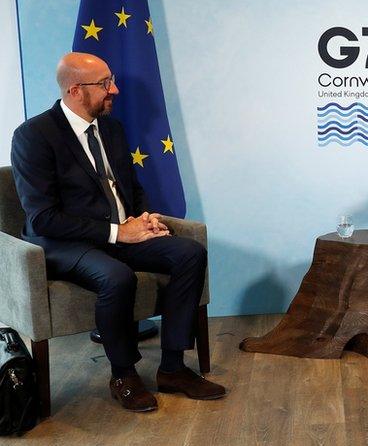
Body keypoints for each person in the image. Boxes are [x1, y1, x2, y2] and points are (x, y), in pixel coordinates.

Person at [10, 52, 226, 412]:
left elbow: (129, 186)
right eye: (106, 83)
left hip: (119, 233)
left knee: (189, 253)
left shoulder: (111, 128)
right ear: (76, 90)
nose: (116, 89)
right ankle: (124, 375)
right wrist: (118, 233)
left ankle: (173, 367)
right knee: (117, 278)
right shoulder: (34, 136)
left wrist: (144, 218)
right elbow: (44, 218)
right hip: (63, 243)